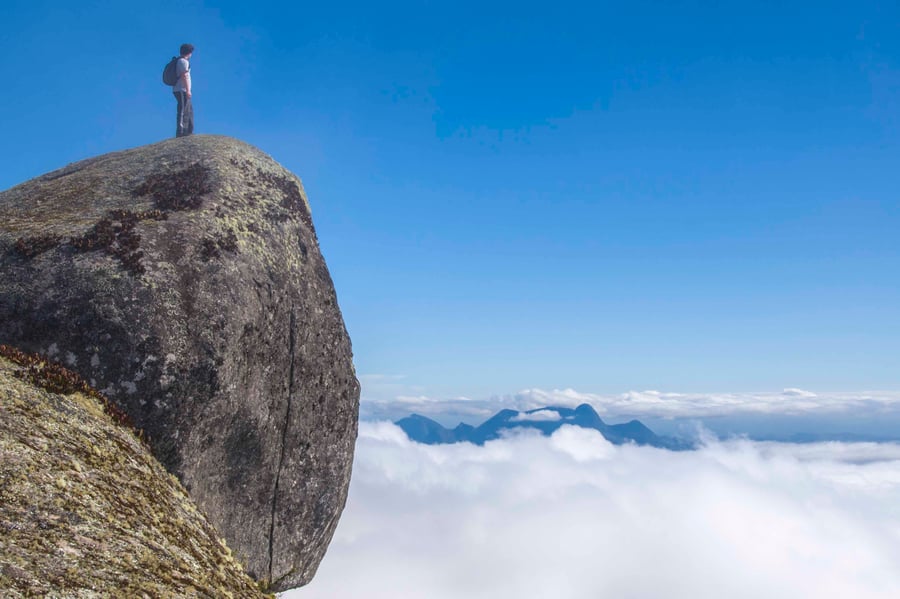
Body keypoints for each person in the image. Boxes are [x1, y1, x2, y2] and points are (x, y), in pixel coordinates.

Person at [173, 44, 194, 137]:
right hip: (181, 89)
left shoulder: (181, 61)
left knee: (188, 110)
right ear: (189, 53)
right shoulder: (183, 61)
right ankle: (181, 131)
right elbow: (184, 76)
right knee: (182, 109)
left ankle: (188, 130)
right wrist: (188, 90)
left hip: (181, 89)